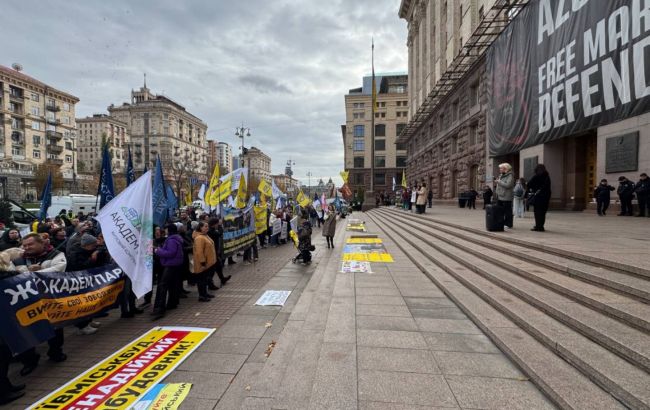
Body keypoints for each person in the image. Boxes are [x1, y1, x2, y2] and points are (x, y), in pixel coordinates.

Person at [12, 233, 68, 377]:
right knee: (26, 329)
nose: (27, 248)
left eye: (30, 244)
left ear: (42, 243)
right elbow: (11, 273)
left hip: (50, 299)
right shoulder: (17, 258)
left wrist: (38, 272)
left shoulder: (56, 254)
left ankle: (55, 351)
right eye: (24, 245)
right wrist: (28, 271)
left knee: (55, 326)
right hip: (26, 301)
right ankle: (30, 360)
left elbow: (59, 269)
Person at [151, 224, 184, 320]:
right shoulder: (176, 239)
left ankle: (160, 309)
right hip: (175, 265)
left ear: (168, 230)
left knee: (163, 286)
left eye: (165, 229)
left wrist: (158, 250)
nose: (163, 231)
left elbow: (170, 253)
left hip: (170, 265)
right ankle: (172, 303)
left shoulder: (171, 240)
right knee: (172, 285)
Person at [192, 221, 217, 302]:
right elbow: (199, 252)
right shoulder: (199, 238)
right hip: (202, 264)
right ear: (200, 228)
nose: (207, 228)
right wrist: (203, 263)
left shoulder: (204, 235)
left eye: (207, 226)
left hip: (207, 263)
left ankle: (205, 293)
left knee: (205, 279)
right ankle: (202, 296)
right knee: (201, 280)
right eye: (205, 226)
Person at [527, 164, 552, 232]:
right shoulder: (547, 176)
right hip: (546, 197)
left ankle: (538, 226)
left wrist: (533, 189)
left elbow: (529, 184)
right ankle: (541, 226)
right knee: (543, 212)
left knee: (537, 212)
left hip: (538, 197)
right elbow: (548, 187)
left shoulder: (536, 176)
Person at [495, 163, 515, 230]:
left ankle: (508, 224)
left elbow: (508, 185)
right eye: (500, 168)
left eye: (501, 168)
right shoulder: (501, 175)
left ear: (506, 169)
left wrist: (499, 182)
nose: (500, 169)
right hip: (500, 195)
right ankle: (501, 222)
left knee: (507, 211)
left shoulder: (510, 175)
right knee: (500, 211)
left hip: (506, 196)